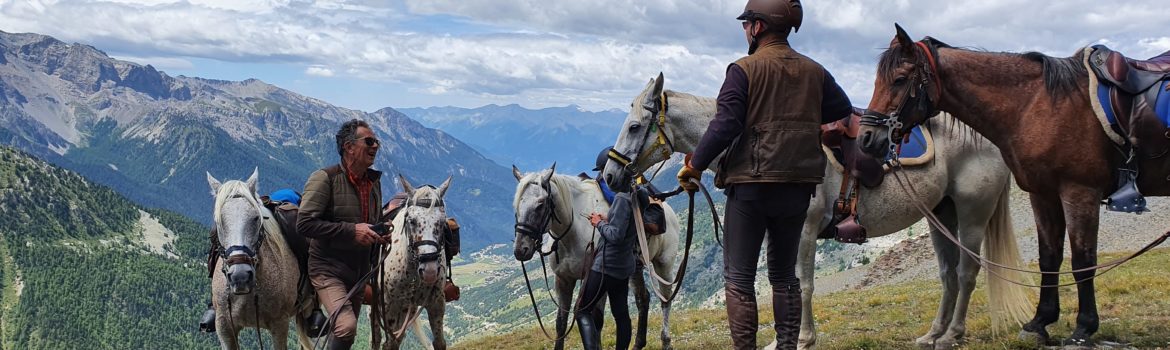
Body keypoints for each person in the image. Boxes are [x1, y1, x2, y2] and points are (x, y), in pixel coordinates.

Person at [675, 1, 852, 348]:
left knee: (739, 279)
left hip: (751, 189)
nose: (744, 30)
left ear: (758, 27)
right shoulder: (816, 71)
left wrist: (695, 165)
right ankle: (787, 345)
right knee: (785, 277)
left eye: (746, 24)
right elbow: (841, 108)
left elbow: (725, 124)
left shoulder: (743, 70)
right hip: (798, 190)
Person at [298, 119, 392, 350]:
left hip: (359, 271)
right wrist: (352, 231)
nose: (375, 146)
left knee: (346, 335)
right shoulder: (324, 178)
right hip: (328, 269)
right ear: (349, 147)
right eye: (369, 141)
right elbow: (304, 224)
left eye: (376, 142)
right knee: (346, 325)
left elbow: (370, 223)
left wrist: (379, 232)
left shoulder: (373, 182)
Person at [577, 185, 662, 350]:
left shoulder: (622, 197)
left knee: (582, 310)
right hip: (623, 267)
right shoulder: (640, 193)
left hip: (607, 265)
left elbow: (616, 236)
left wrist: (599, 223)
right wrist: (609, 218)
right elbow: (628, 223)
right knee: (621, 315)